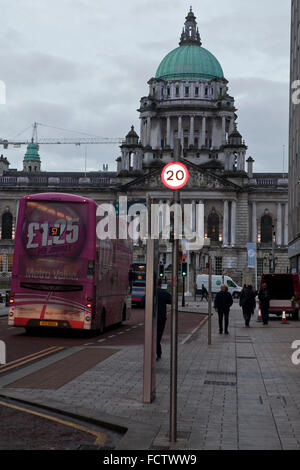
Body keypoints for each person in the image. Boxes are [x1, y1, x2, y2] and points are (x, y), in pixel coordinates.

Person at [156, 279, 172, 360]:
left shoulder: (150, 292)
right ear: (160, 284)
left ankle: (158, 352)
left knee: (153, 335)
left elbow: (143, 301)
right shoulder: (163, 292)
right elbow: (171, 300)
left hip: (151, 318)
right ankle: (158, 352)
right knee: (158, 335)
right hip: (161, 317)